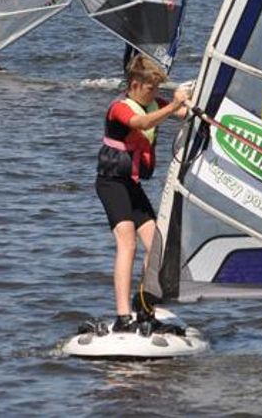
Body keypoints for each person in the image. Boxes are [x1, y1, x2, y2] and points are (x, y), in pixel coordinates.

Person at [95, 54, 191, 334]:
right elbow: (142, 123)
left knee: (157, 246)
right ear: (135, 84)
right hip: (111, 183)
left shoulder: (154, 102)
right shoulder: (120, 108)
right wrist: (172, 104)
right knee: (128, 244)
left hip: (132, 185)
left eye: (157, 89)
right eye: (150, 88)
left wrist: (190, 99)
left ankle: (144, 306)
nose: (155, 93)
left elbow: (182, 113)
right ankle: (123, 316)